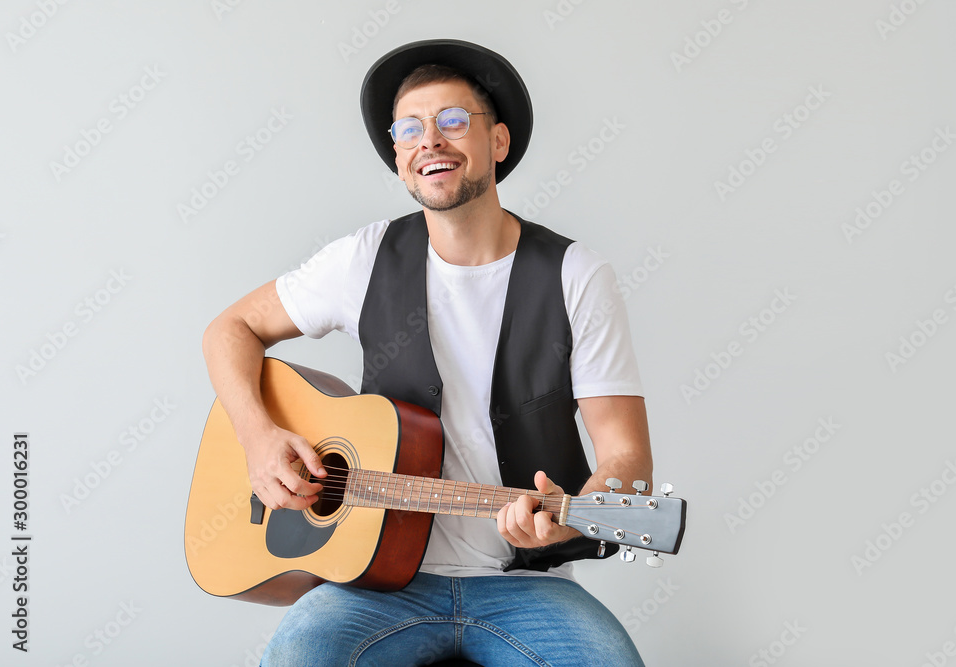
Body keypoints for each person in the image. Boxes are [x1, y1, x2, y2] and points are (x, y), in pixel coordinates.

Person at [202, 39, 653, 667]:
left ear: (497, 143)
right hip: (379, 583)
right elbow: (230, 330)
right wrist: (257, 438)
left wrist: (569, 520)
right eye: (409, 128)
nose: (429, 141)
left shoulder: (576, 275)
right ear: (397, 155)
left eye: (452, 122)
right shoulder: (363, 259)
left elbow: (628, 462)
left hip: (528, 587)